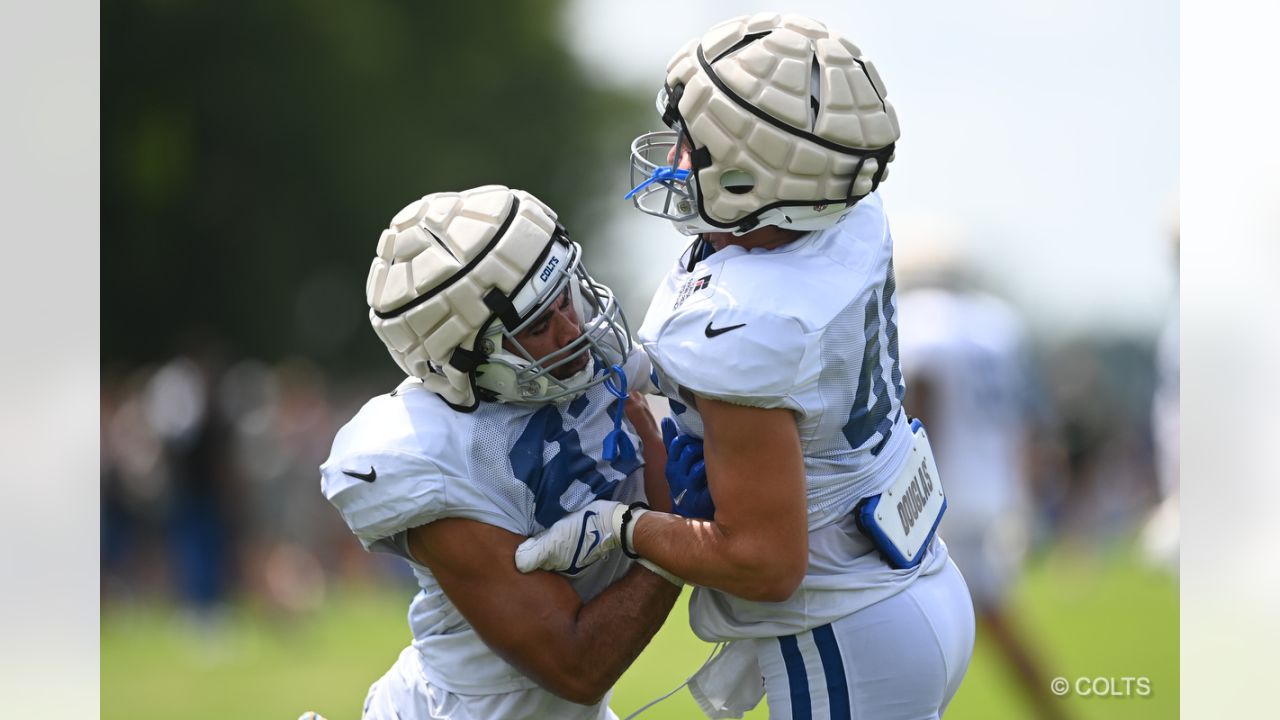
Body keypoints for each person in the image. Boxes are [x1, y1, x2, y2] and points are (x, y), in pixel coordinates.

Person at [517, 13, 975, 719]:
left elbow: (765, 563)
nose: (673, 156)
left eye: (694, 145)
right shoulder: (844, 213)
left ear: (750, 171)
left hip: (842, 627)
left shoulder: (742, 320)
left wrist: (626, 528)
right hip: (913, 581)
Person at [318, 184, 703, 720]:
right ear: (463, 359)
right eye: (538, 325)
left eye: (564, 296)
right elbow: (578, 664)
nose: (573, 329)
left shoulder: (585, 358)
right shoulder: (432, 455)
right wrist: (671, 541)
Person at [894, 236, 1068, 720]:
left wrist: (911, 488)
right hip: (995, 485)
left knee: (903, 619)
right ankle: (1051, 707)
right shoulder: (997, 323)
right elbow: (1024, 417)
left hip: (942, 490)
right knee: (983, 614)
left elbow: (923, 410)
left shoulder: (920, 319)